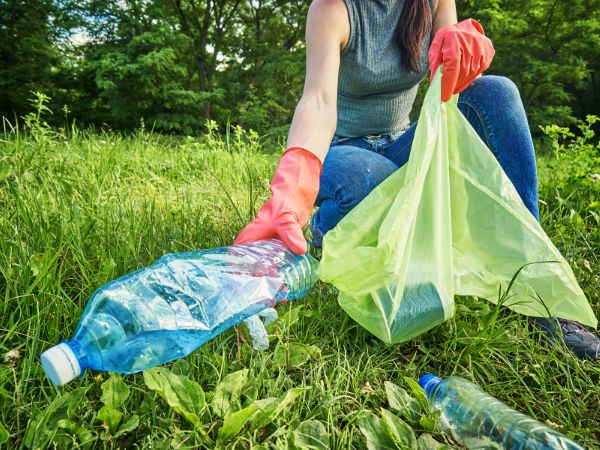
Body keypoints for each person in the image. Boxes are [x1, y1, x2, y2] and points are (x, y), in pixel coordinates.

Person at [235, 0, 599, 359]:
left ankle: (534, 282)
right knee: (371, 179)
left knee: (496, 92)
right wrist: (294, 182)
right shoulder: (333, 9)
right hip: (342, 150)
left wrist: (464, 52)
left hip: (401, 141)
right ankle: (322, 228)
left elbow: (450, 90)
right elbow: (318, 102)